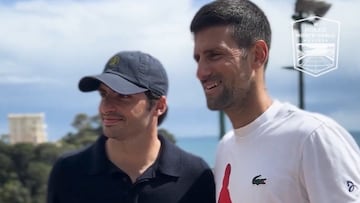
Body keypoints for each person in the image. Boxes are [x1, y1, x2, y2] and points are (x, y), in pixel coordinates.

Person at [190, 0, 360, 202]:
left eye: (215, 55)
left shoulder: (312, 137)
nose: (201, 72)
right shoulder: (225, 147)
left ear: (257, 55)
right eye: (198, 58)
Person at [46, 51, 216, 203]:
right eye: (104, 94)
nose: (106, 107)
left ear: (159, 106)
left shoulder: (194, 175)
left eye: (123, 96)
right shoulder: (69, 172)